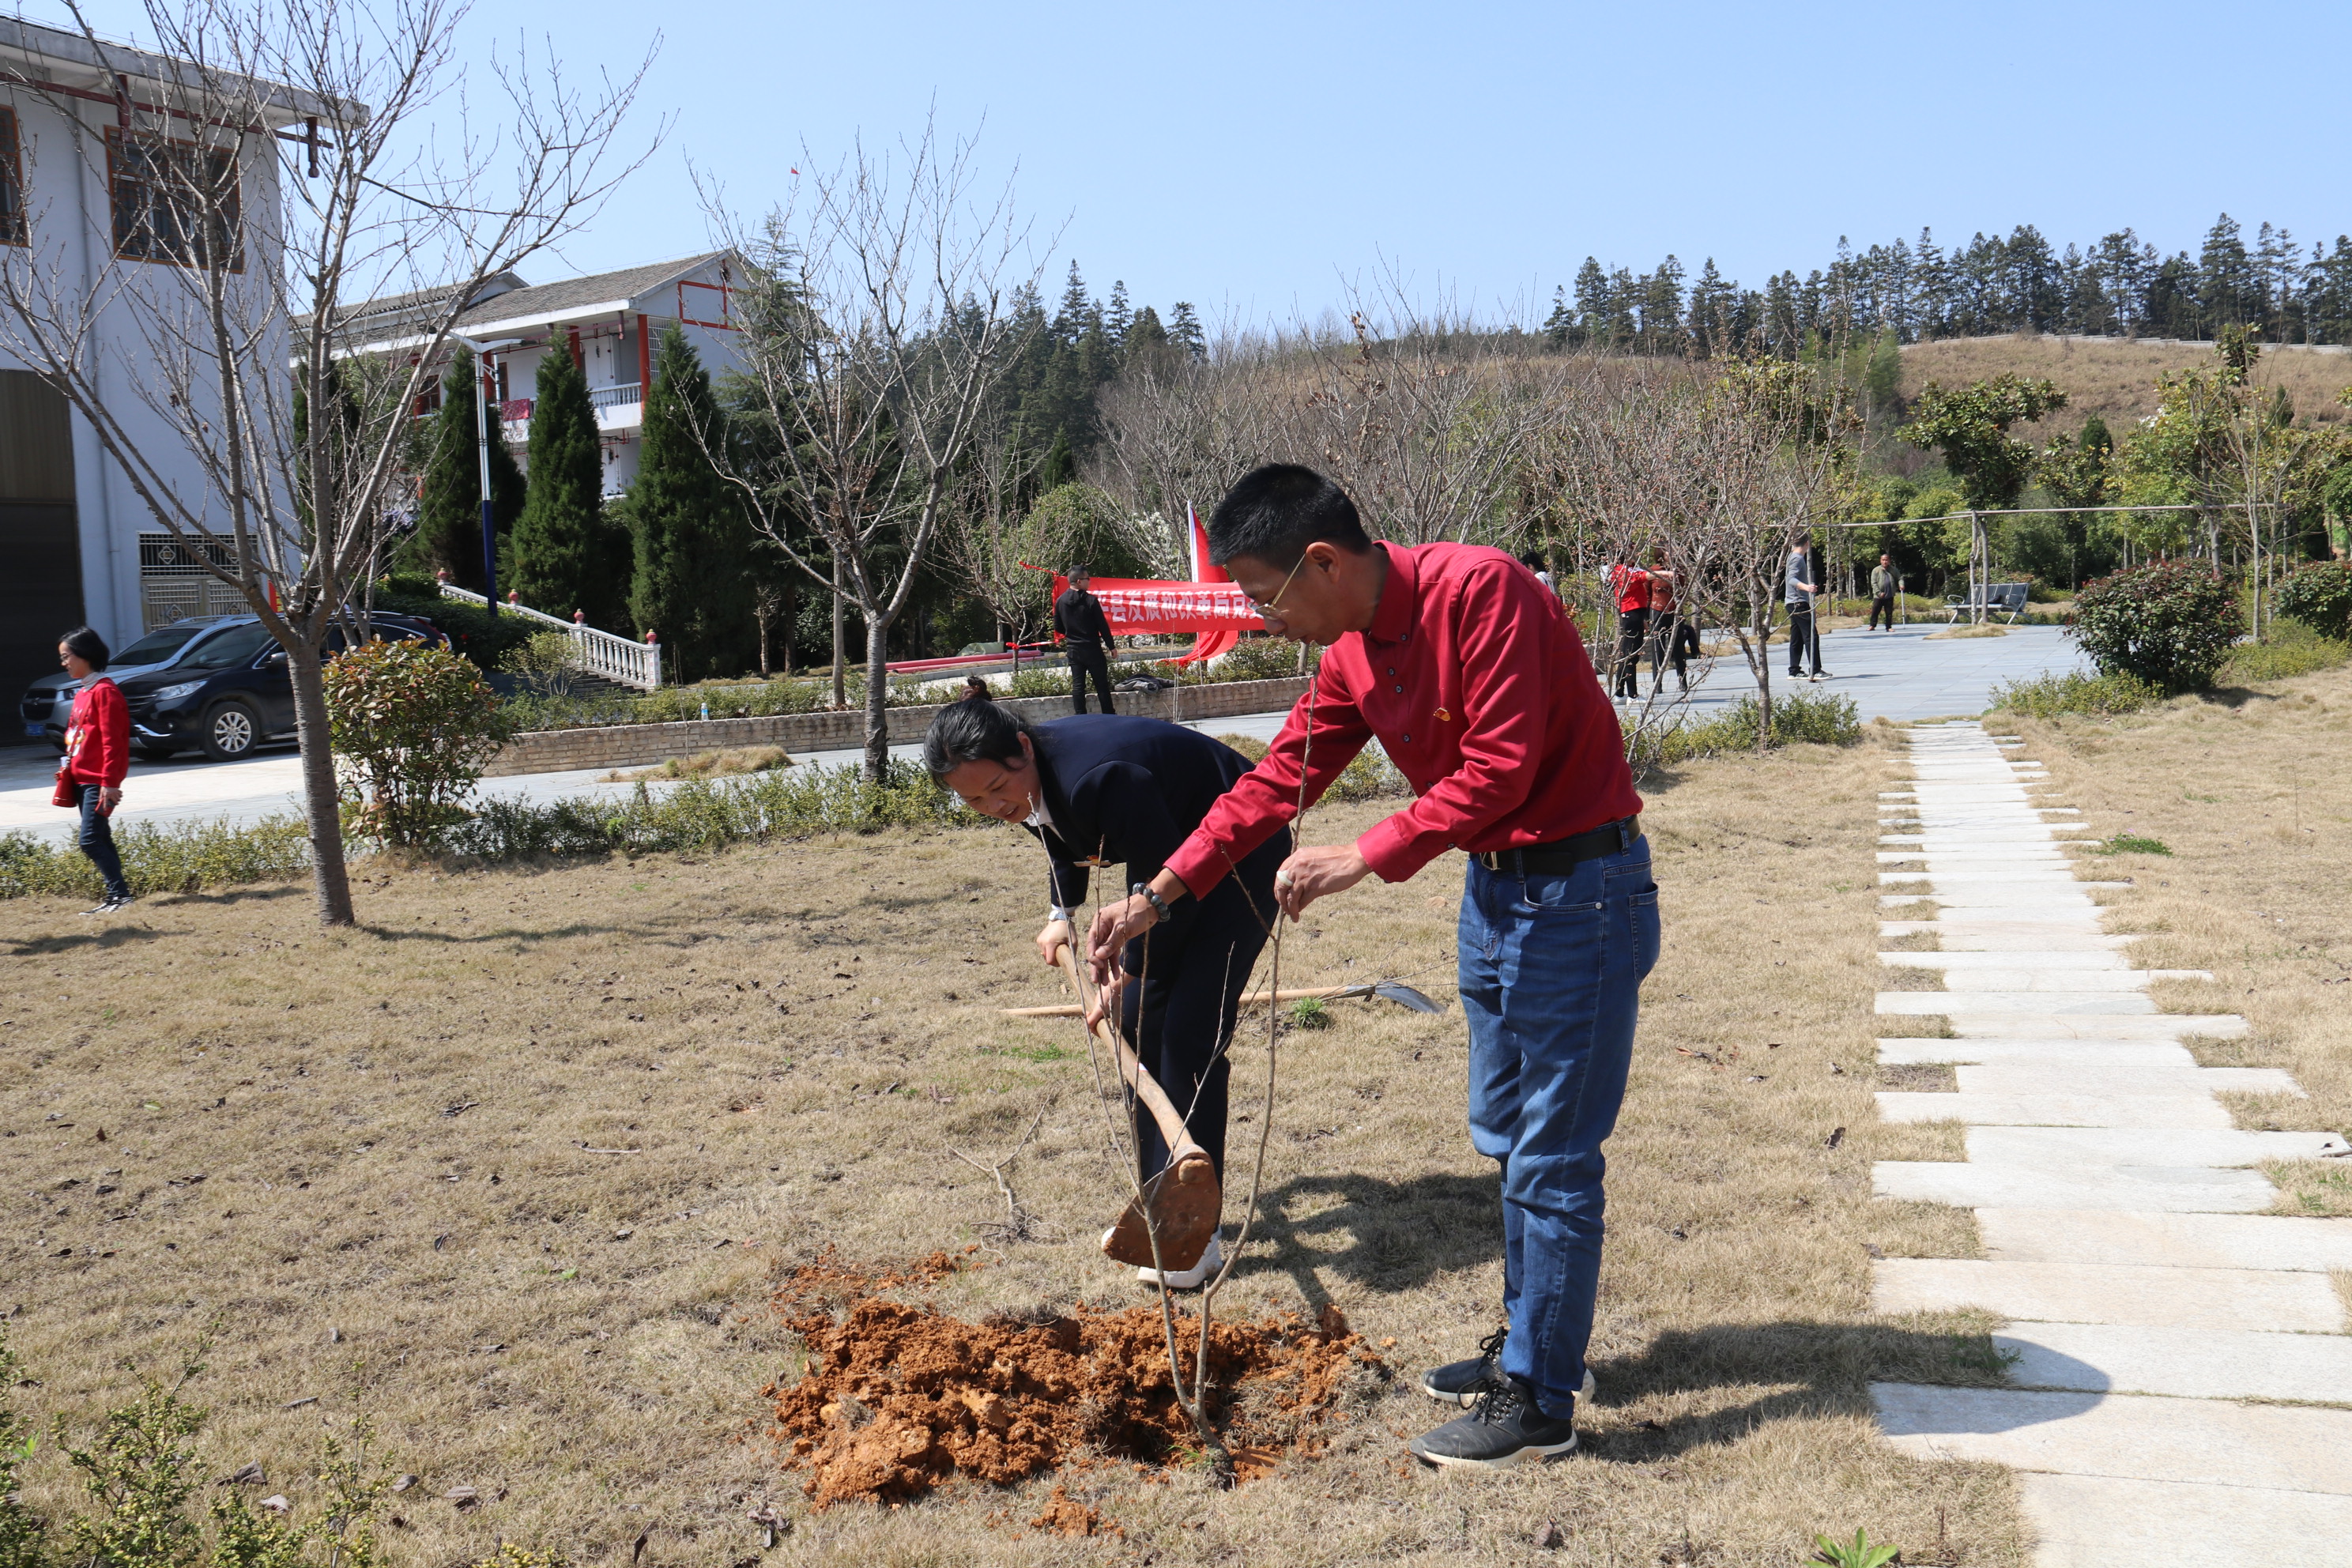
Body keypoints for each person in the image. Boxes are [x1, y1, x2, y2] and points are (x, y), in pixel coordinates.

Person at [1087, 464, 1655, 1470]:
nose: (1266, 620)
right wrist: (1158, 896)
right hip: (1496, 893)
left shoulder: (1482, 592)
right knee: (1503, 1132)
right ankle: (1533, 1346)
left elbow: (1502, 766)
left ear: (1323, 562)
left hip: (1579, 895)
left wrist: (1363, 854)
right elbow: (1274, 781)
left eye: (1265, 597)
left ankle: (1541, 1403)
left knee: (1553, 1156)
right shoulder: (1350, 650)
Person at [926, 697, 1285, 1290]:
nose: (994, 807)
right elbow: (1056, 830)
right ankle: (1159, 1207)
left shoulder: (1101, 776)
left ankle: (1193, 1237)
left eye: (996, 789)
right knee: (1142, 1029)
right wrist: (1059, 914)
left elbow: (1161, 892)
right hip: (1169, 870)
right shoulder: (1031, 779)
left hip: (1239, 856)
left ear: (1022, 748)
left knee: (1188, 1036)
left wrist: (1132, 976)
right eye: (974, 801)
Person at [55, 627, 132, 914]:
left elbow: (115, 743)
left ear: (85, 655)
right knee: (101, 838)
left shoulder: (106, 692)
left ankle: (119, 896)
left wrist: (110, 783)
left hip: (98, 782)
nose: (63, 663)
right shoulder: (84, 692)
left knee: (89, 841)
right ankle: (119, 897)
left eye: (67, 656)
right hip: (80, 779)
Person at [1054, 567, 1118, 716]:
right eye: (1087, 579)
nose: (1089, 581)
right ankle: (1109, 716)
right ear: (1079, 581)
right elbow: (1102, 625)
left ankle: (1080, 716)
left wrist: (1071, 634)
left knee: (1078, 686)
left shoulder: (1060, 601)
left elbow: (1058, 627)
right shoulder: (1090, 600)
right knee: (1102, 686)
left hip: (1073, 649)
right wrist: (1111, 646)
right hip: (1092, 648)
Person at [1645, 548, 1698, 695]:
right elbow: (1647, 595)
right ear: (1661, 555)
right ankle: (1657, 684)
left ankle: (1683, 681)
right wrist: (1646, 617)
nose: (1672, 555)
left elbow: (1683, 590)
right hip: (1657, 612)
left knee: (1678, 648)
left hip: (1675, 612)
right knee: (1658, 649)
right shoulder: (1653, 571)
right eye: (1668, 553)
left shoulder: (1679, 571)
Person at [1607, 552, 1649, 701]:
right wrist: (1667, 573)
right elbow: (1644, 576)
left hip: (1635, 614)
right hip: (1631, 613)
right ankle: (1633, 695)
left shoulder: (1626, 569)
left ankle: (1619, 693)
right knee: (1632, 654)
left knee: (1626, 654)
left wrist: (1642, 619)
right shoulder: (1623, 571)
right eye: (1632, 549)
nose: (1636, 553)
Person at [1785, 537, 1828, 681]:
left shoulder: (1792, 556)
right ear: (1807, 543)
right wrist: (1807, 587)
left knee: (1797, 638)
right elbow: (1791, 579)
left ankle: (1794, 670)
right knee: (1811, 635)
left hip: (1792, 602)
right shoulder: (1797, 558)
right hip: (1798, 603)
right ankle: (1815, 670)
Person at [1868, 552, 1898, 631]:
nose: (1885, 562)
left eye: (1886, 560)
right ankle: (1872, 625)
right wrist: (1879, 593)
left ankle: (1889, 627)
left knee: (1889, 612)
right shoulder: (1876, 570)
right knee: (1875, 610)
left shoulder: (1893, 570)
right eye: (1883, 560)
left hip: (1889, 594)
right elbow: (1873, 583)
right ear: (1880, 561)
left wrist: (1901, 584)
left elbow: (1900, 578)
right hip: (1878, 595)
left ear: (1889, 561)